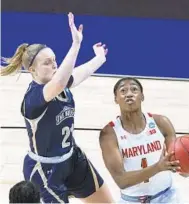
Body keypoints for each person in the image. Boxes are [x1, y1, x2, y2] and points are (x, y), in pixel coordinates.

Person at [1, 13, 113, 203]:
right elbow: (61, 82)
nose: (54, 65)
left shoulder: (58, 83)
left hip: (72, 159)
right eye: (47, 62)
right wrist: (76, 44)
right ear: (32, 70)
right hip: (45, 172)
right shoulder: (34, 98)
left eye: (54, 60)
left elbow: (75, 75)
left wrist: (99, 58)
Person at [99, 77, 189, 203]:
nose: (129, 94)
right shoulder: (109, 134)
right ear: (116, 99)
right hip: (132, 200)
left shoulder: (161, 123)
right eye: (123, 91)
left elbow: (180, 169)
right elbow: (121, 180)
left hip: (167, 197)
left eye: (134, 90)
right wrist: (158, 167)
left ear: (142, 96)